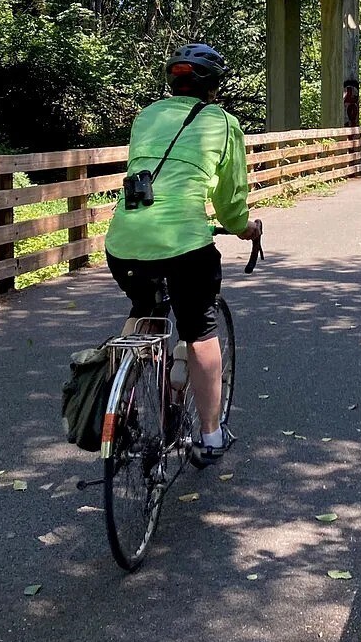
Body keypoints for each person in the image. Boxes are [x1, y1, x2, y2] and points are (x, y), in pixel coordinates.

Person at [104, 43, 261, 468]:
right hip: (185, 245)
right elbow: (231, 203)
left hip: (123, 241)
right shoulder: (224, 124)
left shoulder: (147, 115)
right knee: (199, 331)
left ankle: (120, 405)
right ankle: (210, 436)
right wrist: (245, 228)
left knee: (144, 310)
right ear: (214, 85)